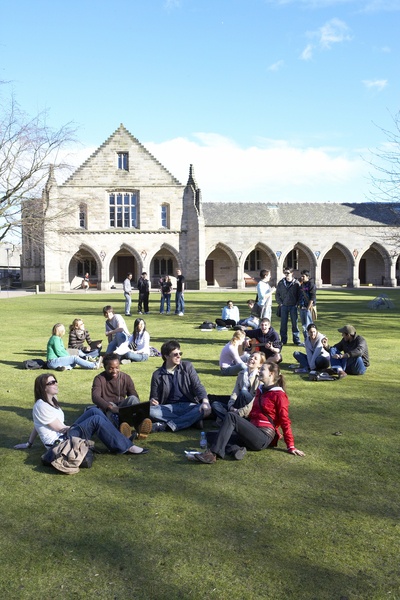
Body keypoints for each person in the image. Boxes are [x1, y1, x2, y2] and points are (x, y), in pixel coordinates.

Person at [193, 361, 305, 463]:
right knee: (211, 436)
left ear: (271, 374)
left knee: (231, 417)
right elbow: (253, 413)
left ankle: (213, 455)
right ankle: (235, 450)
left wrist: (291, 446)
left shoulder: (279, 395)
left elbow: (285, 421)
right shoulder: (261, 390)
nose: (259, 371)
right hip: (252, 431)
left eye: (262, 369)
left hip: (262, 436)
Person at [14, 373, 148, 455]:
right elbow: (60, 428)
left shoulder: (52, 400)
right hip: (59, 443)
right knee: (95, 419)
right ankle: (127, 447)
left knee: (93, 410)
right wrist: (82, 426)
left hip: (65, 435)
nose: (56, 384)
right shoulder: (40, 406)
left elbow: (37, 424)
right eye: (52, 382)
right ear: (43, 388)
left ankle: (120, 439)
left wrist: (29, 443)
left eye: (55, 380)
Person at [149, 339, 211, 432]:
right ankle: (192, 420)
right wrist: (153, 402)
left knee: (202, 408)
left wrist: (205, 401)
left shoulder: (187, 367)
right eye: (175, 354)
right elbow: (154, 398)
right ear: (166, 356)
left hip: (189, 405)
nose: (179, 356)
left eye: (180, 353)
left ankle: (167, 426)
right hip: (168, 408)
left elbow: (197, 386)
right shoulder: (157, 374)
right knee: (151, 411)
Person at [92, 353, 152, 439]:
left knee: (133, 399)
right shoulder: (99, 379)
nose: (114, 371)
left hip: (122, 408)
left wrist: (131, 408)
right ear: (105, 367)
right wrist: (110, 407)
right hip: (108, 409)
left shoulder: (126, 377)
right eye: (111, 368)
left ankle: (140, 427)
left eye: (117, 368)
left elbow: (133, 394)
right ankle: (121, 430)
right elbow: (95, 397)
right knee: (111, 405)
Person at [211, 352, 266, 422]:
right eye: (251, 356)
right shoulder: (241, 374)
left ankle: (228, 419)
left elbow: (255, 401)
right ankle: (230, 420)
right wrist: (231, 406)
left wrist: (239, 411)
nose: (252, 358)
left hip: (249, 408)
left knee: (243, 393)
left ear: (260, 364)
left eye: (255, 358)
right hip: (237, 405)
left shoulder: (260, 378)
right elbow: (235, 392)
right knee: (215, 404)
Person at [275, 268, 302, 346]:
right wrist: (280, 303)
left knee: (295, 324)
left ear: (292, 273)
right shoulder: (281, 283)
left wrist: (297, 304)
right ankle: (283, 340)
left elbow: (300, 295)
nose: (286, 275)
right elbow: (277, 294)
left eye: (288, 273)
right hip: (284, 306)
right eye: (285, 273)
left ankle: (296, 340)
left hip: (293, 306)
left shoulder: (296, 283)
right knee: (283, 324)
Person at [298, 270, 317, 340]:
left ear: (308, 277)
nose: (302, 277)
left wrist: (308, 308)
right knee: (303, 326)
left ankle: (311, 340)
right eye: (301, 276)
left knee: (309, 325)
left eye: (303, 276)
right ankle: (306, 340)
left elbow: (312, 297)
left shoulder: (311, 284)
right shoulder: (302, 284)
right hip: (302, 307)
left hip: (308, 308)